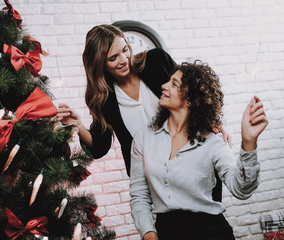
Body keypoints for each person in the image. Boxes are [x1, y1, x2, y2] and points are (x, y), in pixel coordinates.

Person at [56, 24, 228, 201]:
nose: (123, 60)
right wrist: (78, 125)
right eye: (113, 58)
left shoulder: (156, 61)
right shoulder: (104, 100)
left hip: (196, 161)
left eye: (125, 50)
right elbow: (100, 146)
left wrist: (211, 121)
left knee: (211, 221)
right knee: (175, 227)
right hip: (157, 180)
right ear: (100, 64)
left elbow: (190, 93)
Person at [130, 60, 268, 240]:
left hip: (211, 233)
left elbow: (241, 189)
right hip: (166, 232)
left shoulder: (212, 141)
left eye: (174, 84)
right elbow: (139, 196)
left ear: (191, 100)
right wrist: (149, 234)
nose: (163, 86)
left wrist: (249, 143)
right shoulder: (144, 138)